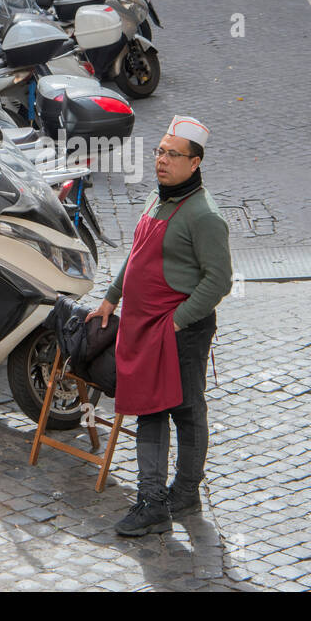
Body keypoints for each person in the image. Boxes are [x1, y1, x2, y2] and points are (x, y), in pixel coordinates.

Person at [88, 116, 232, 537]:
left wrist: (177, 322)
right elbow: (137, 255)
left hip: (180, 333)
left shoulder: (205, 216)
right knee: (148, 408)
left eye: (172, 154)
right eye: (160, 151)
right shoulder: (158, 198)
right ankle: (152, 501)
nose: (162, 161)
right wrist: (111, 297)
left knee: (186, 411)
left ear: (195, 162)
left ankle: (185, 492)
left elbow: (218, 280)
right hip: (143, 327)